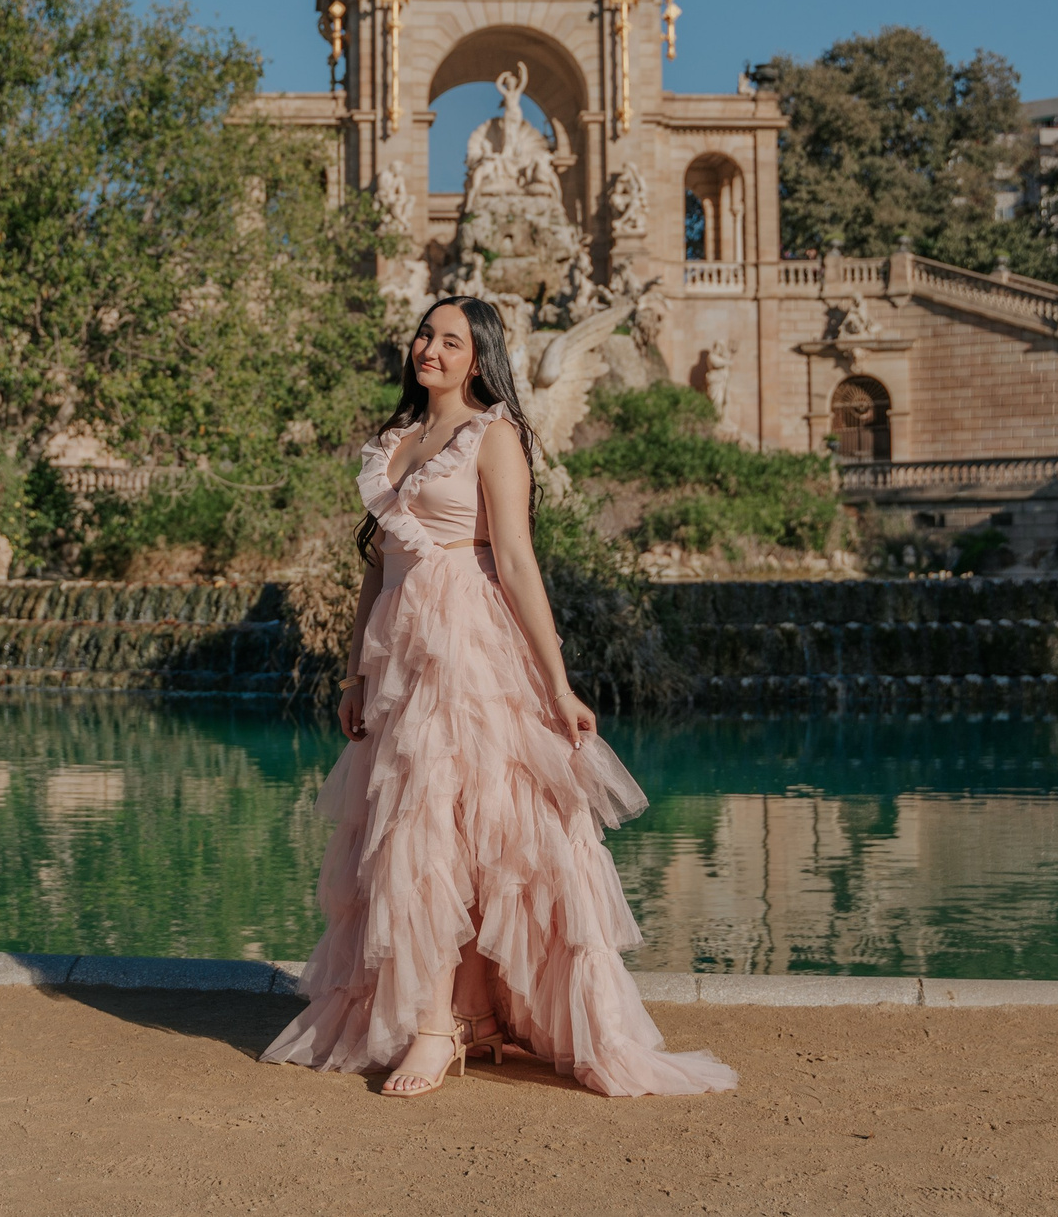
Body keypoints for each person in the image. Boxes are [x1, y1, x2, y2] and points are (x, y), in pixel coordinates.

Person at [262, 296, 734, 1100]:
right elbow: (376, 569)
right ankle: (468, 1014)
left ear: (478, 357)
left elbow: (516, 561)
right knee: (417, 831)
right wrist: (354, 675)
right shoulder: (393, 443)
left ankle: (440, 1025)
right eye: (425, 334)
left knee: (477, 833)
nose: (430, 349)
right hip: (401, 657)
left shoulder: (494, 435)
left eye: (451, 340)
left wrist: (558, 685)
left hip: (473, 652)